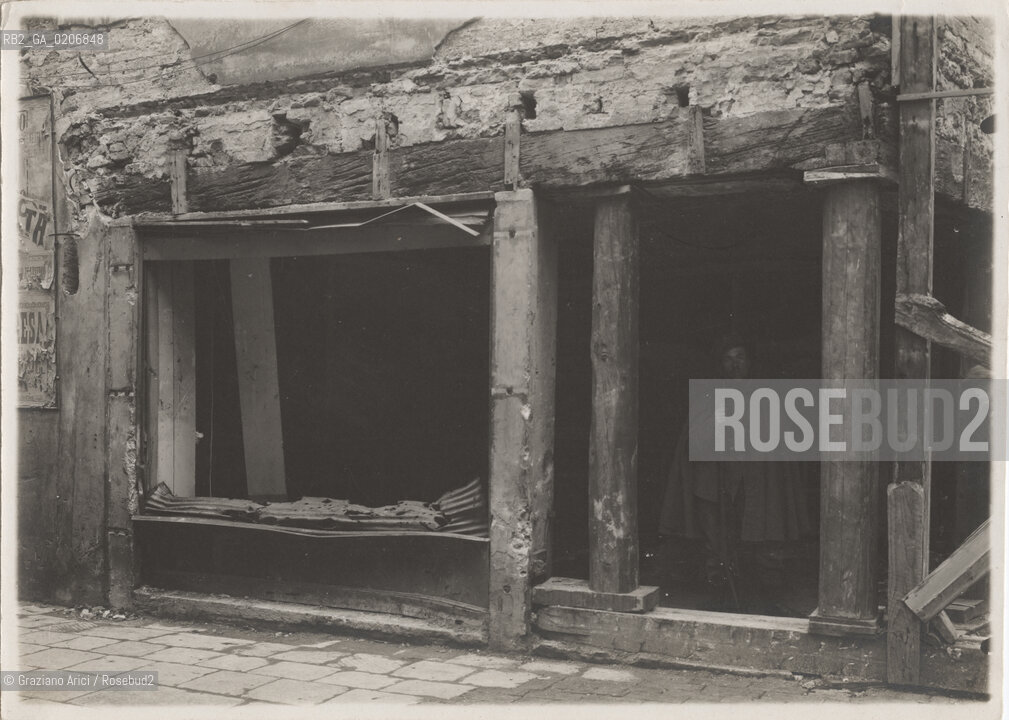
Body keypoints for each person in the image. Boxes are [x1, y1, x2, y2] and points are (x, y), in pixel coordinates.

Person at [657, 333, 812, 612]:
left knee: (762, 538)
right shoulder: (709, 396)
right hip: (715, 484)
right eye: (728, 359)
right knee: (717, 543)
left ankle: (764, 600)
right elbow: (693, 439)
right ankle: (721, 597)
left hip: (757, 482)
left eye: (740, 357)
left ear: (749, 361)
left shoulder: (767, 396)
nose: (734, 365)